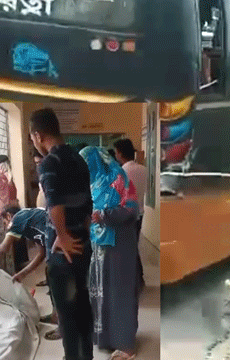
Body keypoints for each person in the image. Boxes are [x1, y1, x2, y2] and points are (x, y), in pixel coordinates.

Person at [31, 108, 94, 360]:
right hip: (82, 245)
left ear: (38, 135)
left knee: (67, 317)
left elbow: (54, 202)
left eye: (32, 137)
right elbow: (88, 202)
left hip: (63, 252)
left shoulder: (49, 163)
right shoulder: (79, 159)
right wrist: (82, 231)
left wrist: (62, 233)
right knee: (83, 309)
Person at [0, 205, 62, 339]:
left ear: (9, 216)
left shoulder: (18, 219)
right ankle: (55, 316)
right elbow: (41, 254)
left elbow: (3, 248)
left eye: (4, 222)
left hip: (62, 241)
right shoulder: (31, 221)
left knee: (56, 277)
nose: (6, 227)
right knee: (51, 273)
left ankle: (64, 326)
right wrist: (22, 273)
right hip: (59, 239)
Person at [80, 147, 140, 360]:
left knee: (119, 291)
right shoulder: (94, 182)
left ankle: (126, 344)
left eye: (87, 163)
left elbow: (132, 209)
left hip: (119, 246)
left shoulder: (119, 180)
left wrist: (104, 215)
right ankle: (106, 338)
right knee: (102, 290)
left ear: (96, 161)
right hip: (100, 245)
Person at [113, 137, 148, 291]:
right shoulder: (143, 170)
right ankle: (138, 279)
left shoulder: (121, 173)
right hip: (139, 214)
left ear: (120, 153)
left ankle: (131, 282)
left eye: (115, 152)